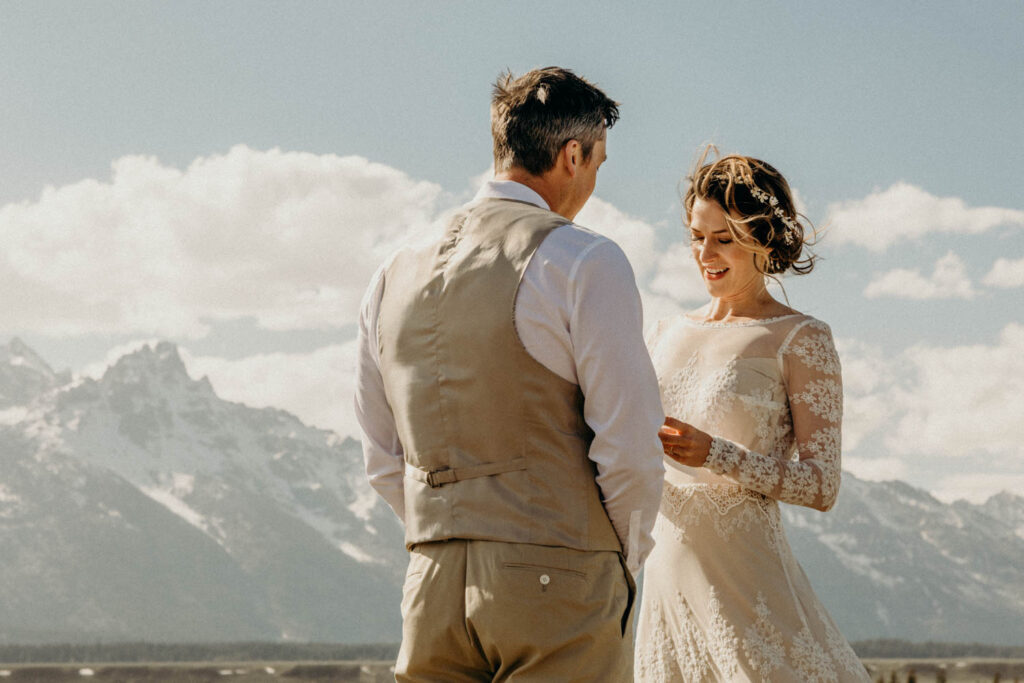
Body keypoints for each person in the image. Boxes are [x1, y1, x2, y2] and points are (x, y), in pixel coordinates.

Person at [354, 67, 665, 681]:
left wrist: (448, 538)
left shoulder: (393, 272)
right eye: (598, 162)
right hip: (562, 577)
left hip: (432, 582)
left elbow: (382, 456)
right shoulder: (584, 260)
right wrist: (617, 560)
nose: (595, 180)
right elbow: (630, 446)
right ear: (572, 155)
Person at [634, 148, 870, 682]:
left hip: (750, 588)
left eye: (724, 238)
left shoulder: (801, 339)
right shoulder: (662, 333)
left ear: (763, 239)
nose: (705, 253)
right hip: (667, 585)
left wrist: (715, 454)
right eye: (697, 235)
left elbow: (822, 485)